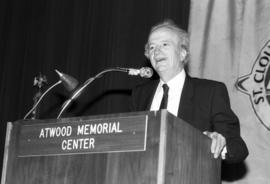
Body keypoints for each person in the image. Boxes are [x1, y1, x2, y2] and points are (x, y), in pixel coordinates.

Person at [131, 20, 248, 163]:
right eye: (152, 47)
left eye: (165, 44)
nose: (156, 51)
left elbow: (238, 148)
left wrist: (220, 144)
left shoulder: (210, 92)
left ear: (182, 53)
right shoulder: (140, 95)